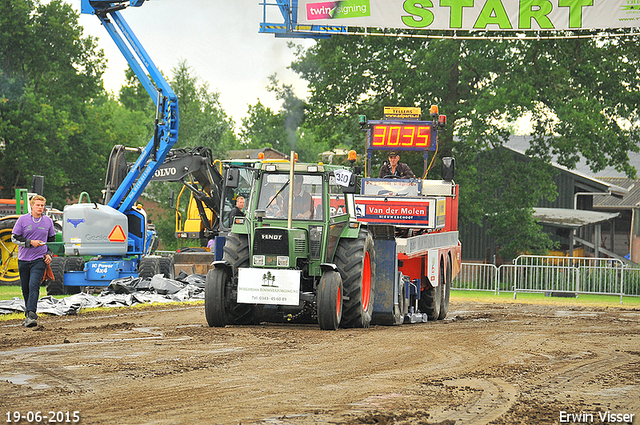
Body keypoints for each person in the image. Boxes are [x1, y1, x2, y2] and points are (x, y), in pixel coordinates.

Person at [11, 195, 56, 328]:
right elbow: (14, 238)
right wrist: (30, 243)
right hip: (23, 260)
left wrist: (49, 254)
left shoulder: (48, 221)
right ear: (32, 206)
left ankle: (32, 314)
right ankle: (28, 315)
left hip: (39, 259)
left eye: (42, 205)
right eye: (38, 205)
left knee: (34, 286)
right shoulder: (23, 220)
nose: (40, 208)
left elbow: (52, 241)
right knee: (25, 288)